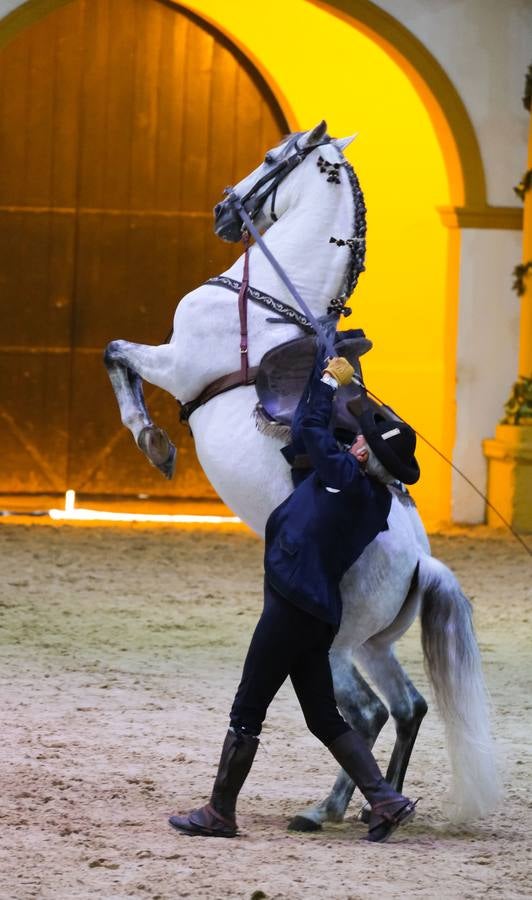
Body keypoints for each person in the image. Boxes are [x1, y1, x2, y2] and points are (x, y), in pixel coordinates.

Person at [169, 352, 420, 843]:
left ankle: (220, 811)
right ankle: (385, 798)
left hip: (291, 604)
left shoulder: (344, 477)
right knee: (323, 716)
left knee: (247, 708)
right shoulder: (375, 499)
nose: (355, 444)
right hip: (316, 612)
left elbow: (307, 426)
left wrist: (327, 381)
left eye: (361, 442)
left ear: (366, 455)